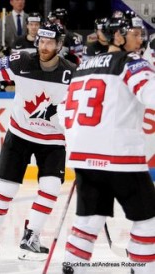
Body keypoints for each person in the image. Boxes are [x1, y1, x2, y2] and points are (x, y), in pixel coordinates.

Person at [0, 21, 76, 260]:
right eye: (41, 41)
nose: (44, 46)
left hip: (53, 139)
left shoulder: (71, 73)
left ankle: (31, 236)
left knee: (51, 187)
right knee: (7, 187)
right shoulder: (21, 60)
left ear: (60, 45)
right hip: (20, 133)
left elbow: (77, 108)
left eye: (50, 42)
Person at [58, 12, 155, 274]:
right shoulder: (129, 62)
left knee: (89, 220)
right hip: (120, 158)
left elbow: (63, 112)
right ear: (118, 35)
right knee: (148, 221)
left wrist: (79, 147)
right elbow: (151, 94)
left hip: (84, 158)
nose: (139, 39)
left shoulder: (82, 66)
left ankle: (73, 269)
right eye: (134, 34)